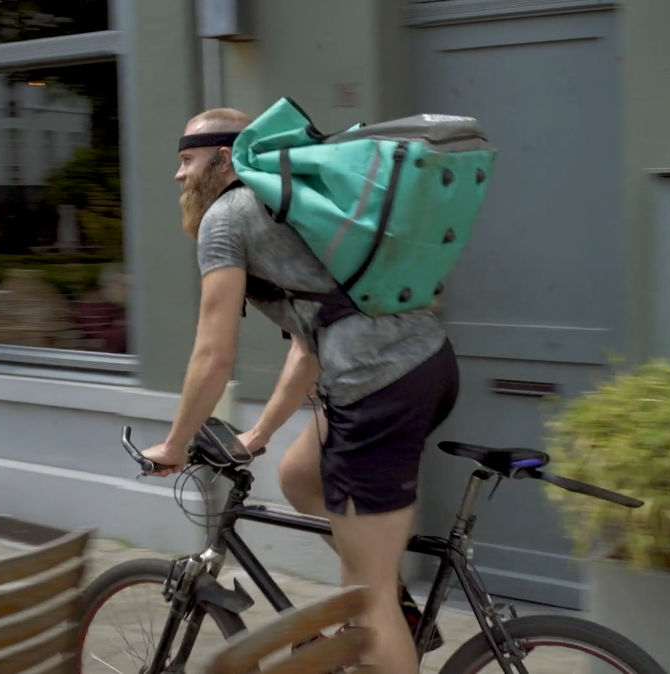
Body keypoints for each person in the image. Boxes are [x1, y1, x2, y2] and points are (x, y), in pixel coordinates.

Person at [140, 108, 460, 674]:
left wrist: (174, 443)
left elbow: (213, 355)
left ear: (223, 159)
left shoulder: (226, 219)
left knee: (367, 598)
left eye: (187, 160)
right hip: (428, 366)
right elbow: (310, 344)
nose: (178, 174)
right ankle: (391, 603)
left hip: (377, 387)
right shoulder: (292, 203)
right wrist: (259, 434)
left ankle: (385, 617)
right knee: (298, 476)